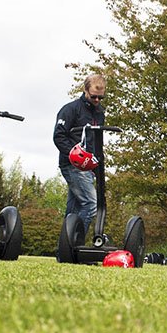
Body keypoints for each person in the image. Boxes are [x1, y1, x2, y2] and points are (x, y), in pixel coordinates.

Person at [54, 74, 107, 234]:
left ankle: (65, 250)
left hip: (89, 166)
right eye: (93, 96)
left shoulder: (99, 113)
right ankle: (75, 244)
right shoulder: (70, 110)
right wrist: (75, 154)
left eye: (100, 97)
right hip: (73, 164)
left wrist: (98, 167)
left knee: (74, 208)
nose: (97, 100)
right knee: (91, 204)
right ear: (85, 90)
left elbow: (98, 141)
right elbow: (59, 136)